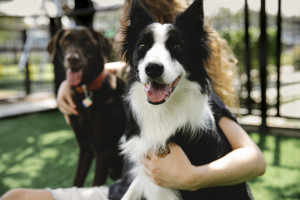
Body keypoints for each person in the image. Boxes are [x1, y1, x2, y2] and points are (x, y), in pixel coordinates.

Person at [1, 0, 265, 199]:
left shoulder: (196, 96)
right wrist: (67, 85)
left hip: (154, 192)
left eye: (122, 27)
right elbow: (114, 70)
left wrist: (192, 177)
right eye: (141, 45)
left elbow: (254, 159)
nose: (117, 37)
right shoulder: (137, 79)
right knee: (15, 197)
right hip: (126, 189)